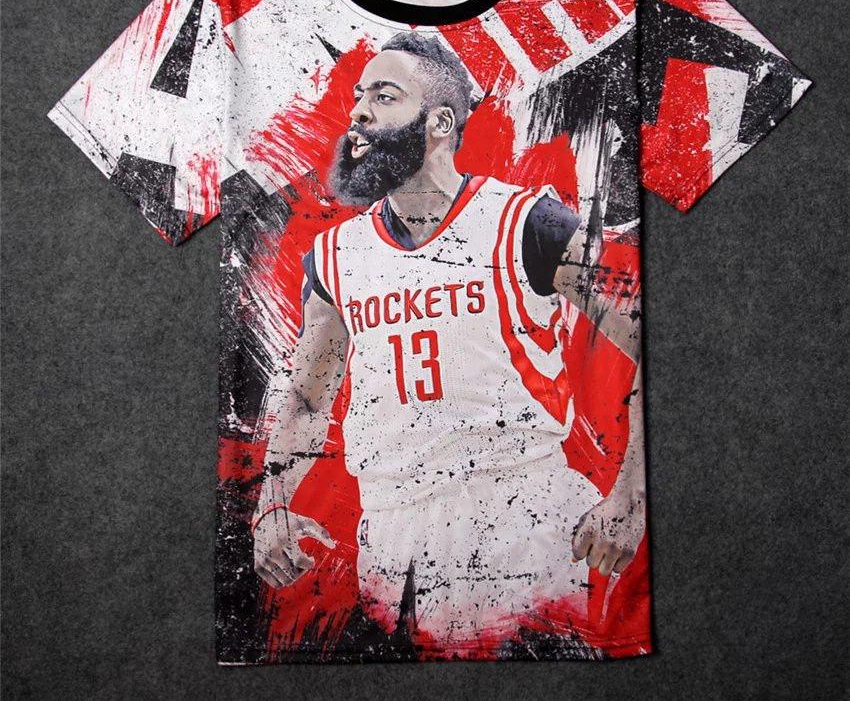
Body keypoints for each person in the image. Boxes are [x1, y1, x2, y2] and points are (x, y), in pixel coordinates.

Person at [252, 32, 646, 647]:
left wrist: (631, 496)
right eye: (359, 96)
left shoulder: (529, 223)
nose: (358, 112)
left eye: (384, 96)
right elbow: (306, 396)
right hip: (389, 534)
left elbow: (648, 336)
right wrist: (272, 502)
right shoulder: (335, 254)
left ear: (440, 122)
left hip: (519, 517)